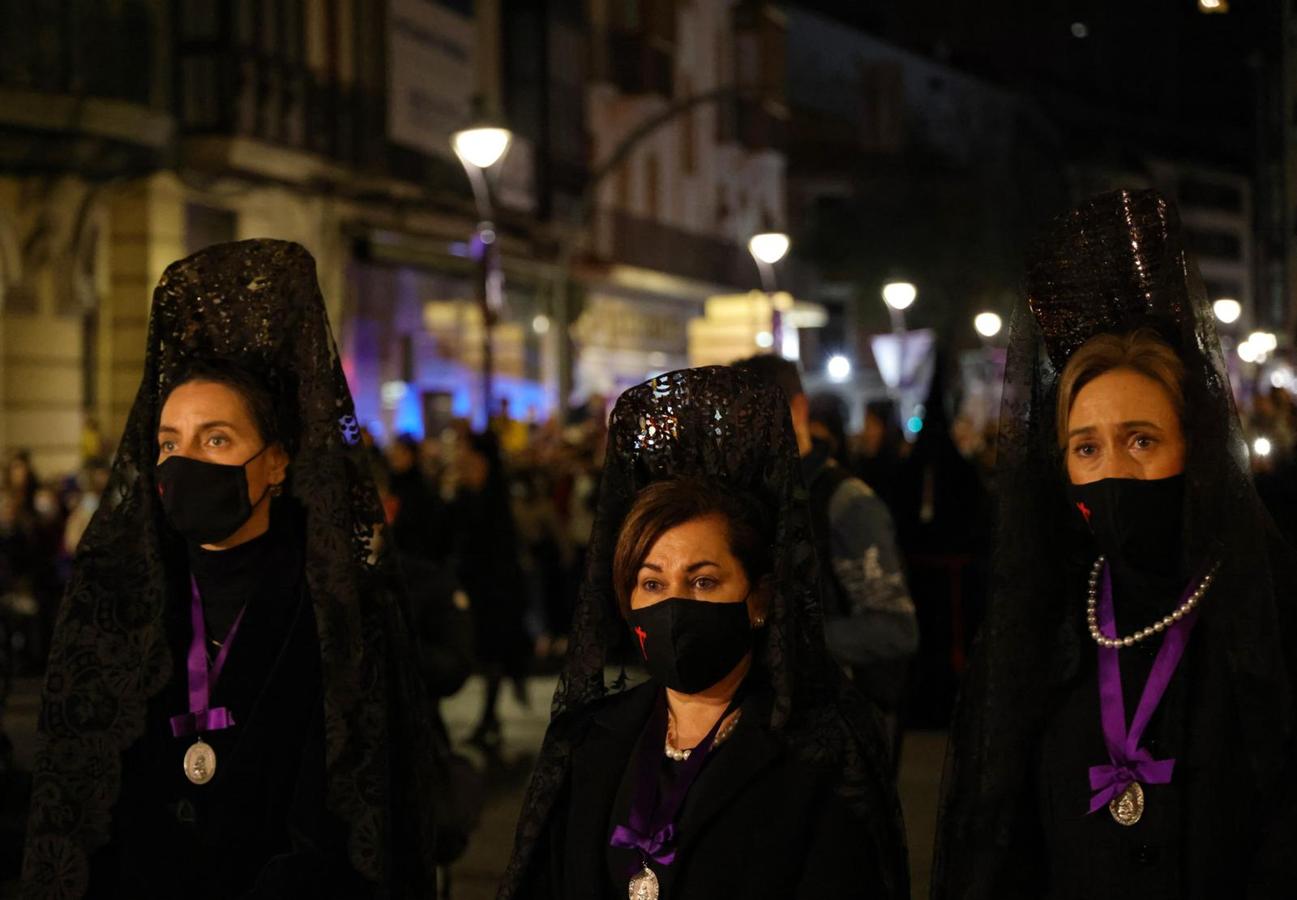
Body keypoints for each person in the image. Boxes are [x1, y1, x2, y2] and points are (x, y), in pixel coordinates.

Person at [21, 240, 437, 898]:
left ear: (276, 462)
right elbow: (78, 806)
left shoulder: (338, 612)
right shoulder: (118, 604)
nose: (185, 462)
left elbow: (356, 819)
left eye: (216, 439)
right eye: (169, 443)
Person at [933, 190, 1297, 899]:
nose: (1114, 473)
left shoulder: (1269, 605)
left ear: (1192, 447)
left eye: (1140, 440)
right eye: (1086, 448)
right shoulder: (1045, 623)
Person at [499, 366, 908, 899]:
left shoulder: (819, 755)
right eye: (651, 582)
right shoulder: (594, 741)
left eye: (704, 580)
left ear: (758, 599)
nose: (673, 605)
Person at [732, 354, 917, 754]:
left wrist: (785, 638)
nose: (742, 435)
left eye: (752, 417)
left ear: (796, 409)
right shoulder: (751, 500)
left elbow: (895, 629)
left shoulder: (845, 502)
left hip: (837, 729)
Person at [451, 430, 532, 749]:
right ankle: (489, 717)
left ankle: (489, 717)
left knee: (493, 653)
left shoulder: (493, 500)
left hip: (495, 591)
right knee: (486, 654)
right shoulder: (468, 494)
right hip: (478, 587)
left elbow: (497, 550)